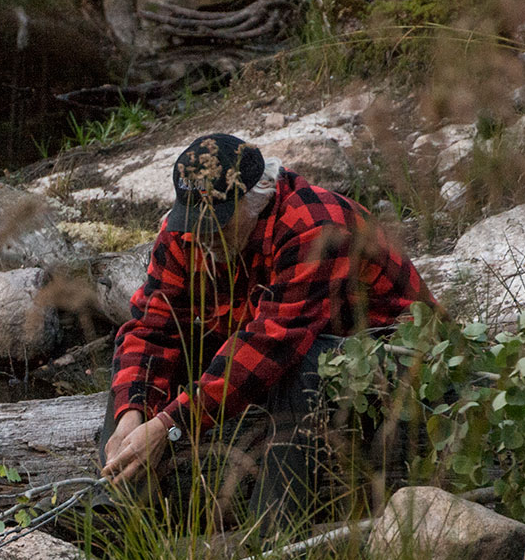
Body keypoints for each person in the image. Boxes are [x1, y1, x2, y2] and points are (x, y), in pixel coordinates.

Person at [99, 133, 439, 522]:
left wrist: (169, 424)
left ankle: (274, 535)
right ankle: (114, 508)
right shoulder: (184, 233)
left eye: (218, 224)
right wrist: (134, 413)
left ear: (255, 200)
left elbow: (271, 345)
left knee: (302, 362)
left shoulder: (313, 227)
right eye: (195, 222)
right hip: (287, 348)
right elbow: (150, 328)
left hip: (393, 360)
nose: (203, 237)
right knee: (142, 358)